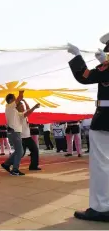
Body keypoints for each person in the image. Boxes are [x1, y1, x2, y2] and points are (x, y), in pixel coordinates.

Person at [67, 35, 109, 222]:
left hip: (105, 119)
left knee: (101, 165)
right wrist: (103, 62)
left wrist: (77, 56)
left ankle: (101, 208)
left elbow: (84, 76)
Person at [1, 91, 29, 176]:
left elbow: (25, 114)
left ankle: (6, 164)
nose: (16, 100)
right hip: (14, 132)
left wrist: (34, 108)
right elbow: (19, 98)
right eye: (14, 98)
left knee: (19, 151)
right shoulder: (9, 106)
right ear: (10, 100)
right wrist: (21, 92)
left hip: (15, 132)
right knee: (20, 151)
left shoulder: (15, 111)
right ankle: (15, 170)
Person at [17, 99, 41, 170]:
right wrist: (35, 107)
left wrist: (24, 101)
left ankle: (33, 166)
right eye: (21, 106)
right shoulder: (19, 114)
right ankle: (8, 163)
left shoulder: (23, 112)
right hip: (22, 138)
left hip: (27, 137)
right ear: (17, 108)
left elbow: (28, 109)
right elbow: (28, 112)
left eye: (23, 106)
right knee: (21, 153)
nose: (23, 107)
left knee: (35, 150)